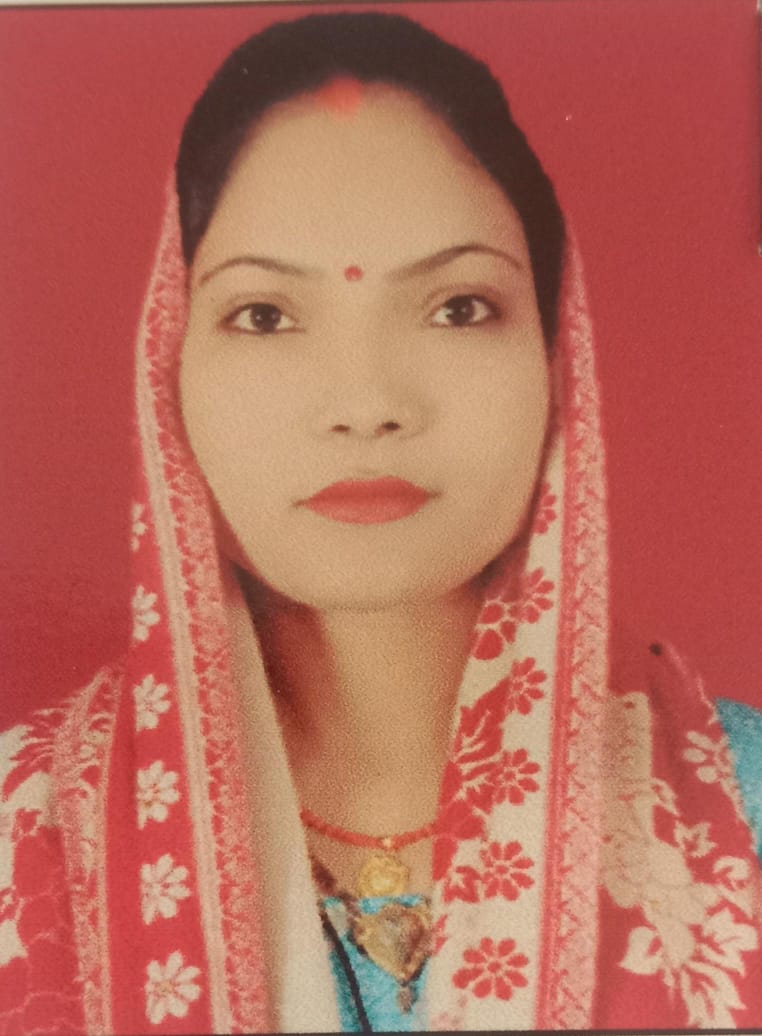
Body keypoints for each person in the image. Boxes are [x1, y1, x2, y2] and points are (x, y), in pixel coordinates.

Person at [1, 10, 761, 1034]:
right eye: (265, 315)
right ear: (167, 369)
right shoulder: (25, 834)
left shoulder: (744, 810)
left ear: (557, 357)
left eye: (458, 306)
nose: (366, 403)